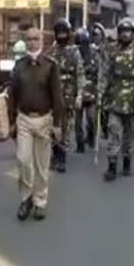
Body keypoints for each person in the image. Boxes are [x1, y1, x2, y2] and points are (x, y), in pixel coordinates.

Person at [8, 27, 64, 221]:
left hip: (43, 120)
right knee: (23, 161)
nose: (32, 42)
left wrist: (57, 124)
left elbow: (57, 97)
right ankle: (25, 199)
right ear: (25, 41)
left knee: (41, 165)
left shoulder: (50, 65)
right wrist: (11, 122)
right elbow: (12, 95)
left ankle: (40, 201)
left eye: (35, 38)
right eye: (29, 39)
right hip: (23, 119)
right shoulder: (19, 66)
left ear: (42, 40)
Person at [99, 18, 134, 182]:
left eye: (128, 32)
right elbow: (105, 75)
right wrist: (101, 94)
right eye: (122, 31)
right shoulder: (113, 53)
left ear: (132, 34)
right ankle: (111, 166)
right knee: (113, 132)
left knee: (129, 136)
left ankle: (127, 164)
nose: (125, 34)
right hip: (115, 101)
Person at [45, 19, 84, 173]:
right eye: (59, 32)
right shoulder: (50, 53)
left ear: (68, 34)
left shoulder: (74, 52)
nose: (61, 35)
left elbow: (80, 74)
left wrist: (80, 95)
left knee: (66, 128)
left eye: (64, 32)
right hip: (52, 98)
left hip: (68, 97)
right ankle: (55, 154)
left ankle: (62, 158)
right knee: (53, 128)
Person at [74, 27, 98, 152]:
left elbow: (100, 71)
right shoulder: (73, 54)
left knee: (91, 119)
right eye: (79, 43)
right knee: (77, 122)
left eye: (83, 43)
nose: (81, 46)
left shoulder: (94, 53)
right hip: (78, 92)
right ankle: (80, 144)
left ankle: (91, 137)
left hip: (91, 92)